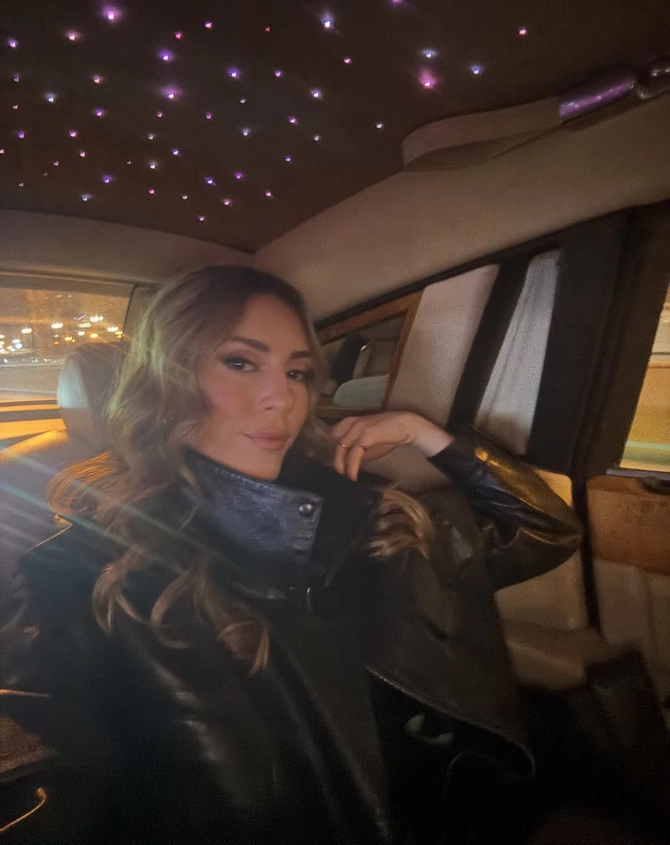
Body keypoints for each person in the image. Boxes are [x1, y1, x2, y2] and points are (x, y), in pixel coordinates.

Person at [1, 266, 582, 844]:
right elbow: (44, 777)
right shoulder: (82, 572)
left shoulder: (372, 515)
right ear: (167, 384)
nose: (281, 398)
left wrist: (421, 432)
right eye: (240, 362)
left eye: (298, 372)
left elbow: (545, 532)